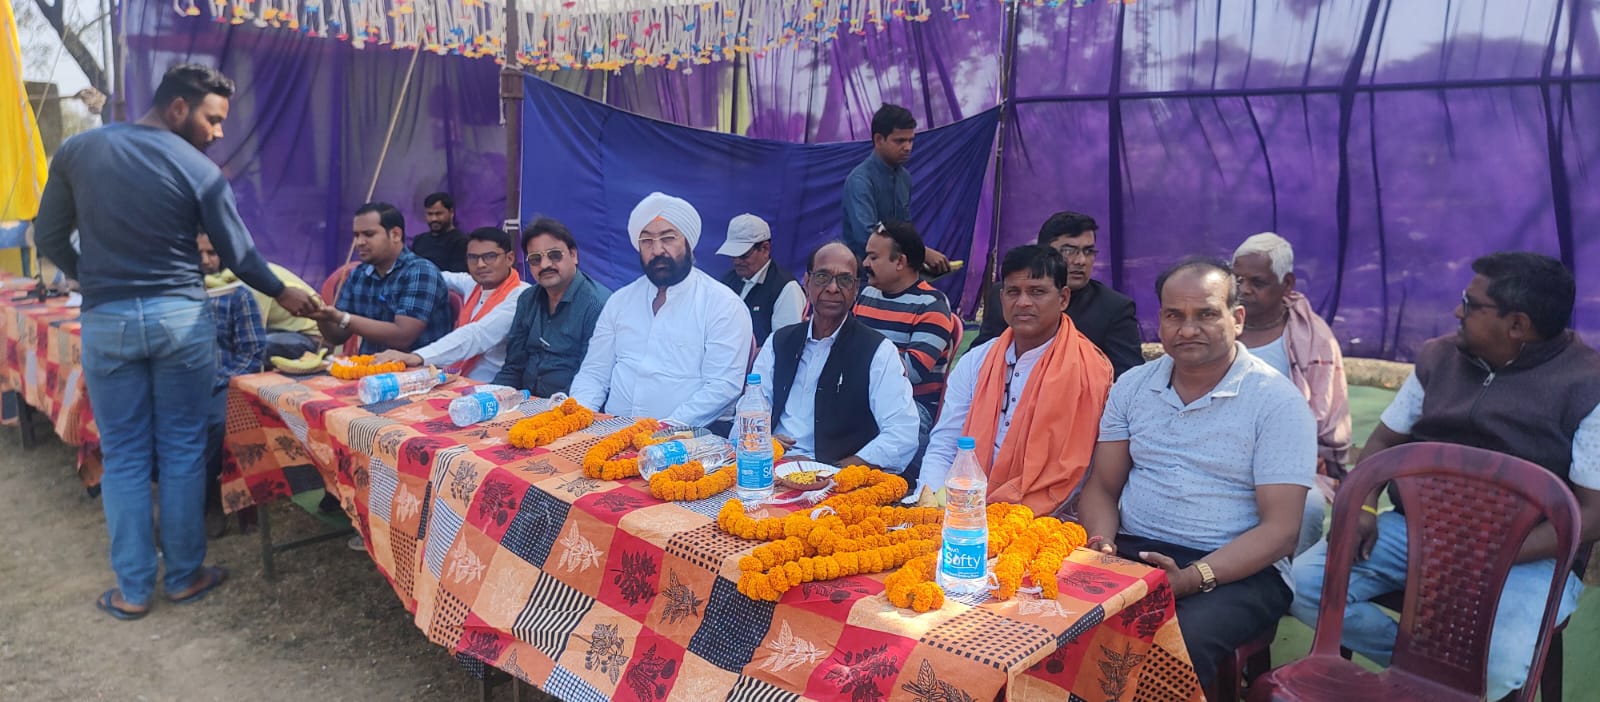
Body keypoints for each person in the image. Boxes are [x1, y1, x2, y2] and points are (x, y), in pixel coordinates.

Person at [34, 63, 318, 619]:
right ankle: (186, 576)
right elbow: (240, 255)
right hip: (180, 320)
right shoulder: (200, 169)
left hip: (108, 320)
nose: (218, 133)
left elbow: (47, 235)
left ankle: (133, 591)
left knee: (124, 455)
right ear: (179, 107)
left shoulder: (78, 151)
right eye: (213, 120)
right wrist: (284, 292)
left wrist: (90, 276)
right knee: (183, 449)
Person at [1290, 252, 1600, 701]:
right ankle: (1428, 671)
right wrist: (1367, 508)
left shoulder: (1588, 385)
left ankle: (1451, 674)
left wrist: (1490, 556)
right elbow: (1383, 443)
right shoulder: (1439, 357)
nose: (1457, 311)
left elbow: (1592, 514)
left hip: (1527, 553)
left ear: (1517, 324)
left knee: (1497, 665)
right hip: (1417, 530)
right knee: (1302, 586)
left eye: (1470, 304)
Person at [1077, 258, 1316, 689]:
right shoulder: (1133, 386)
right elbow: (1102, 487)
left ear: (1236, 318)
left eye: (1205, 314)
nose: (1187, 330)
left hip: (1240, 571)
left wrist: (1191, 578)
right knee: (1053, 617)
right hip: (1135, 551)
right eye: (1175, 315)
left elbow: (1281, 531)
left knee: (1172, 644)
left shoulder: (1276, 402)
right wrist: (1102, 547)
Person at [919, 245, 1112, 512]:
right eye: (1013, 292)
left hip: (1050, 516)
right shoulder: (976, 361)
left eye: (1037, 292)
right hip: (964, 507)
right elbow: (945, 444)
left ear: (1063, 298)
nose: (1023, 302)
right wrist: (929, 502)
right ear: (1002, 298)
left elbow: (1083, 472)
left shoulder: (1091, 370)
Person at [570, 193, 753, 427]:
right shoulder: (620, 301)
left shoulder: (723, 305)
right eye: (646, 241)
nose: (657, 250)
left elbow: (722, 386)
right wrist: (576, 418)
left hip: (689, 437)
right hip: (613, 430)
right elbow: (594, 373)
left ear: (688, 244)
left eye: (668, 238)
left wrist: (664, 429)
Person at [1231, 232, 1352, 556]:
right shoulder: (1218, 325)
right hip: (1217, 450)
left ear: (1287, 284)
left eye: (1257, 282)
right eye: (1237, 279)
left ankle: (1288, 578)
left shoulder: (1313, 338)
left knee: (1308, 506)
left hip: (1285, 457)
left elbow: (1327, 421)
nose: (1244, 289)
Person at [751, 242, 918, 471]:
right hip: (769, 466)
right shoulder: (779, 342)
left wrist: (835, 471)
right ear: (807, 282)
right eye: (822, 277)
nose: (832, 288)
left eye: (845, 280)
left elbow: (902, 434)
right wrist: (762, 442)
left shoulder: (878, 351)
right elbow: (750, 413)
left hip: (837, 475)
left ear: (856, 288)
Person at [974, 211, 1143, 377]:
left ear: (1064, 299)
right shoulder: (1010, 296)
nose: (1081, 261)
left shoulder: (1113, 308)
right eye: (1069, 251)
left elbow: (1130, 379)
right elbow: (979, 358)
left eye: (1088, 251)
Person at [374, 227, 530, 382]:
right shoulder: (473, 284)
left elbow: (477, 334)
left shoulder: (522, 295)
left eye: (490, 256)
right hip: (455, 377)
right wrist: (398, 274)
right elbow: (437, 275)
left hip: (493, 387)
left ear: (509, 258)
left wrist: (418, 356)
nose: (480, 264)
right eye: (473, 257)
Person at [855, 220, 958, 432]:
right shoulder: (866, 295)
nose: (865, 263)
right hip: (865, 397)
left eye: (873, 257)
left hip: (913, 406)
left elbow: (912, 371)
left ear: (900, 262)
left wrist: (855, 361)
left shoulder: (932, 305)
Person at [311, 202, 454, 354]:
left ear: (395, 235)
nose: (359, 242)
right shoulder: (358, 274)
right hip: (369, 366)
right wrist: (320, 315)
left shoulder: (420, 271)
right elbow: (337, 337)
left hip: (417, 367)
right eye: (356, 235)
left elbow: (403, 337)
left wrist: (343, 318)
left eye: (369, 234)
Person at [494, 218, 611, 397]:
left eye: (555, 255)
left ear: (574, 255)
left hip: (571, 405)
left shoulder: (597, 305)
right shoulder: (527, 299)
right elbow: (513, 367)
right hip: (523, 402)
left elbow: (593, 380)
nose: (545, 265)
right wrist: (492, 398)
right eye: (535, 259)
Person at [198, 233, 265, 528]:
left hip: (225, 382)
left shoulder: (237, 295)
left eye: (212, 253)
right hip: (181, 383)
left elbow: (252, 352)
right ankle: (192, 498)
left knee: (215, 423)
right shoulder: (177, 296)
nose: (205, 261)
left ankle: (208, 499)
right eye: (198, 253)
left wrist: (217, 380)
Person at [840, 103, 950, 275]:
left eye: (911, 140)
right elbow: (867, 236)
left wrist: (918, 260)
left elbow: (904, 229)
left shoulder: (904, 177)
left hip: (896, 275)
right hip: (864, 277)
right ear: (878, 140)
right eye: (900, 141)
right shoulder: (860, 180)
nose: (908, 147)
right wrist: (922, 253)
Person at [204, 258, 322, 359]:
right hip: (277, 329)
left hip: (309, 338)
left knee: (252, 347)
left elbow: (252, 335)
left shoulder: (256, 282)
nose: (205, 261)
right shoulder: (230, 277)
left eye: (211, 253)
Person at [716, 213, 805, 346]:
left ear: (765, 249)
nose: (737, 261)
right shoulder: (727, 280)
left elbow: (785, 344)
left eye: (743, 255)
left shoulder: (787, 288)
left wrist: (753, 353)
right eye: (732, 255)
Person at [411, 192, 468, 273]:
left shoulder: (461, 242)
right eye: (430, 214)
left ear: (451, 212)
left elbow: (457, 276)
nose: (434, 219)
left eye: (438, 214)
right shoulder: (419, 240)